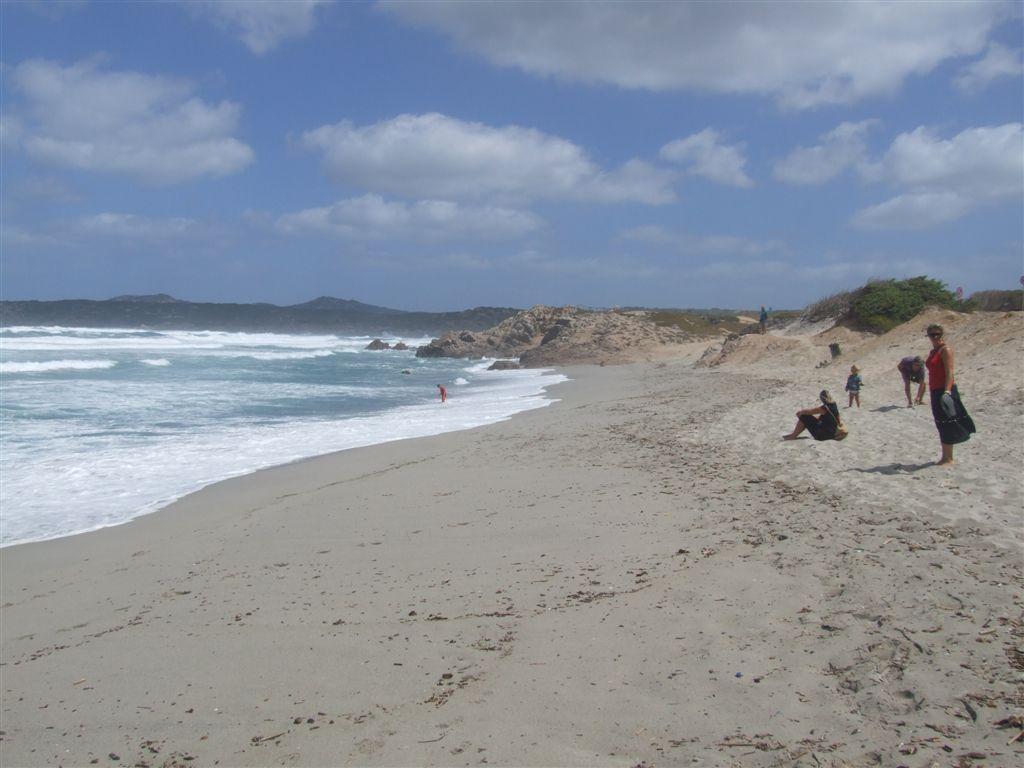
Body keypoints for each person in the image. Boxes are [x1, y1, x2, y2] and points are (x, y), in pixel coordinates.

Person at [924, 324, 975, 466]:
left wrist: (947, 391)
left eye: (937, 334)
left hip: (945, 390)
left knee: (947, 422)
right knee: (940, 422)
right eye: (932, 334)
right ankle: (945, 456)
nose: (935, 337)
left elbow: (950, 372)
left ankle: (949, 458)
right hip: (935, 390)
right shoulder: (933, 351)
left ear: (942, 334)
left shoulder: (945, 350)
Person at [783, 390, 848, 441]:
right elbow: (836, 417)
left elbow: (810, 411)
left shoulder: (824, 408)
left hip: (824, 435)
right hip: (832, 433)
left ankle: (793, 435)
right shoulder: (834, 404)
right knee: (807, 418)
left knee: (804, 416)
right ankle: (793, 435)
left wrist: (800, 412)